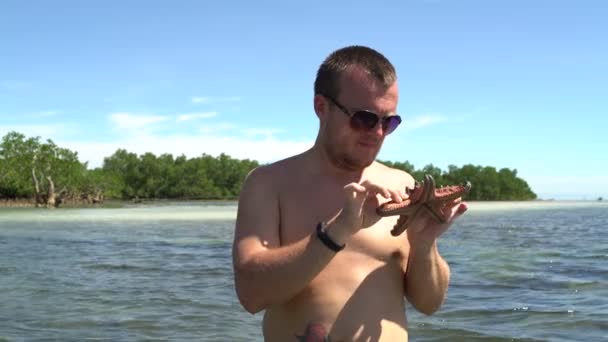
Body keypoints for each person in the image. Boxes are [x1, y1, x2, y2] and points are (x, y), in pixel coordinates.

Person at [232, 45, 468, 341]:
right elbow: (251, 294)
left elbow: (429, 303)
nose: (378, 133)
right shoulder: (269, 184)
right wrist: (339, 230)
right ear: (321, 107)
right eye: (365, 118)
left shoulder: (400, 184)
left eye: (389, 122)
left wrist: (424, 245)